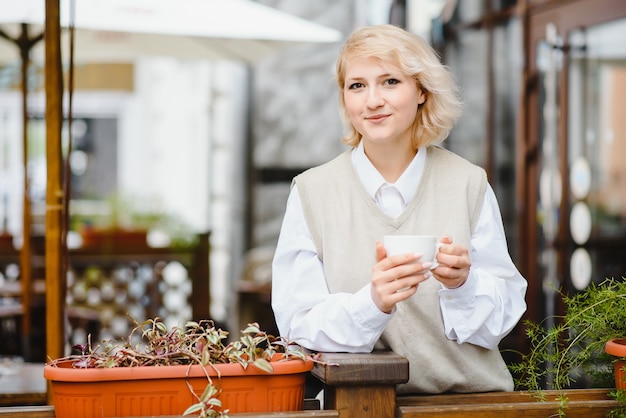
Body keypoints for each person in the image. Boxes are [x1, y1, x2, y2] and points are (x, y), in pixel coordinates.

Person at [271, 24, 527, 394]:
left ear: (422, 90)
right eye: (357, 85)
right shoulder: (312, 191)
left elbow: (503, 319)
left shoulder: (467, 183)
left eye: (390, 81)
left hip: (470, 407)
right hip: (358, 409)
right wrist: (373, 303)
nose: (372, 100)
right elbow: (299, 327)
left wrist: (463, 284)